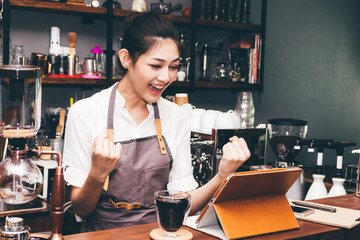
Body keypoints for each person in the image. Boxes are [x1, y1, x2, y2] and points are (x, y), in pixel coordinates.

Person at [63, 12, 251, 232]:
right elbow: (80, 210)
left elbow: (184, 203)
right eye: (155, 65)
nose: (165, 78)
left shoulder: (177, 116)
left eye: (173, 67)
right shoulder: (85, 112)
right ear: (126, 59)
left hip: (159, 234)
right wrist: (97, 173)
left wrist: (223, 175)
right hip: (102, 236)